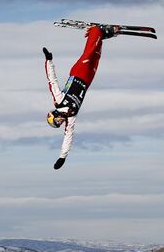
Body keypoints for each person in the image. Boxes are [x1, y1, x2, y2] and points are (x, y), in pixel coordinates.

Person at [43, 24, 118, 169]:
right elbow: (68, 138)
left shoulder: (59, 100)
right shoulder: (71, 118)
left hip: (77, 73)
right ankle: (101, 37)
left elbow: (52, 80)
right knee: (96, 57)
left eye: (57, 121)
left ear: (54, 114)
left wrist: (48, 60)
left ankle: (97, 30)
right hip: (87, 81)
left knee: (89, 53)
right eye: (58, 124)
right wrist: (62, 158)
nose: (60, 122)